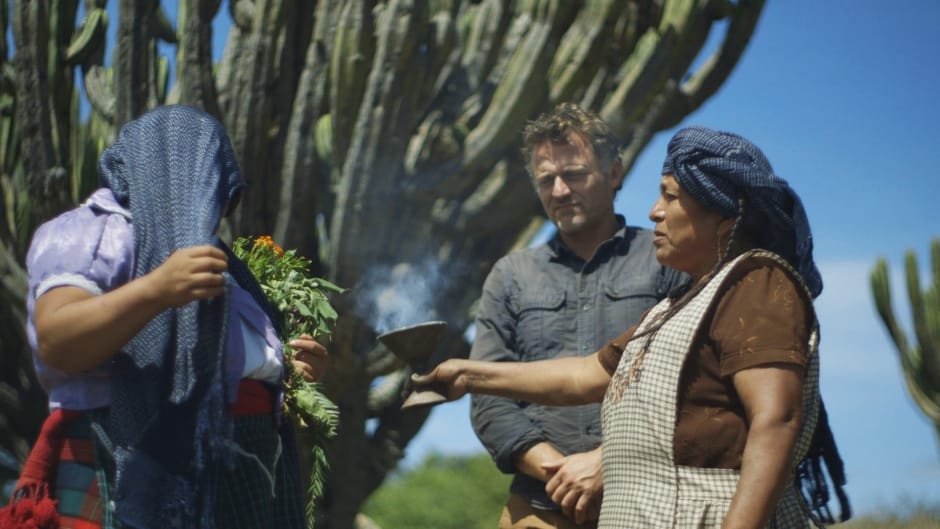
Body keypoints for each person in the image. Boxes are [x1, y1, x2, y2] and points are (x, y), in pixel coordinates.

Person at [416, 125, 837, 528]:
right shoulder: (677, 305)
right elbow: (586, 374)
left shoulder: (756, 282)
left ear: (724, 217)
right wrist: (466, 373)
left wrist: (604, 461)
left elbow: (777, 419)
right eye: (548, 178)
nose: (654, 210)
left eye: (669, 198)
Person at [5, 105, 328, 529]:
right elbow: (57, 340)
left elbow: (226, 361)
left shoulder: (223, 263)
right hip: (127, 457)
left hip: (240, 469)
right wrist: (157, 289)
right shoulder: (98, 232)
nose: (212, 203)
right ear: (167, 169)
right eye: (204, 181)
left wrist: (287, 370)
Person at [468, 103, 684, 529]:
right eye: (547, 180)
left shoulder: (667, 259)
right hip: (539, 507)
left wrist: (608, 461)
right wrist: (559, 471)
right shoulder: (511, 276)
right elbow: (487, 394)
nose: (561, 190)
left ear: (615, 173)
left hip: (651, 505)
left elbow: (692, 380)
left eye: (576, 174)